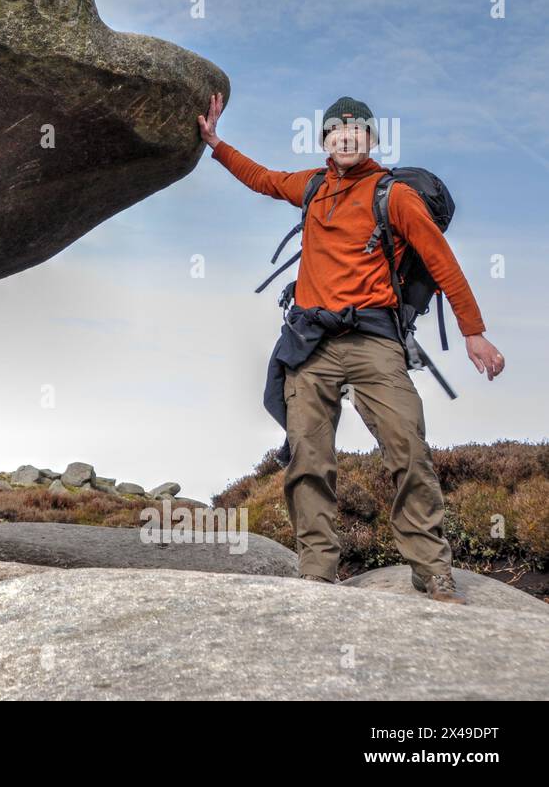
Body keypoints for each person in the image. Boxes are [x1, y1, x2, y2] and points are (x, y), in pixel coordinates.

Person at [197, 93, 505, 603]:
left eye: (356, 131)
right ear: (324, 141)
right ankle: (317, 570)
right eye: (335, 132)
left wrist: (473, 332)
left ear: (370, 139)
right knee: (308, 457)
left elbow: (441, 260)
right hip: (312, 342)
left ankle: (431, 568)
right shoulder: (312, 186)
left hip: (374, 342)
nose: (345, 137)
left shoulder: (394, 196)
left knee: (408, 449)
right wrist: (216, 144)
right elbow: (264, 179)